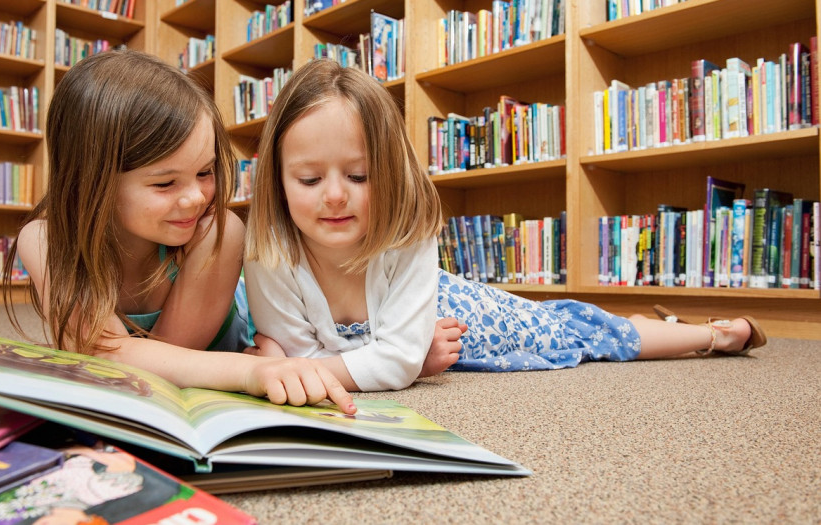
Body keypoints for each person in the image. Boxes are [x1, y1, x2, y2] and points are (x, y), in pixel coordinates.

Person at [242, 59, 767, 392]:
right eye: (309, 179)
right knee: (576, 327)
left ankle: (713, 335)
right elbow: (317, 365)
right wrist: (389, 360)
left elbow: (314, 366)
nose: (335, 195)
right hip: (424, 337)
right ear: (277, 180)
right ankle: (670, 325)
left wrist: (392, 362)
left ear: (391, 174)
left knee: (577, 329)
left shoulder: (408, 231)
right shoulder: (267, 250)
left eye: (358, 175)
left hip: (454, 311)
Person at [2, 50, 354, 414]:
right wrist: (253, 371)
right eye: (166, 182)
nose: (195, 198)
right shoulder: (45, 240)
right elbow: (108, 357)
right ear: (89, 180)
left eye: (205, 172)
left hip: (256, 334)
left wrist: (260, 366)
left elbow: (163, 366)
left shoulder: (217, 234)